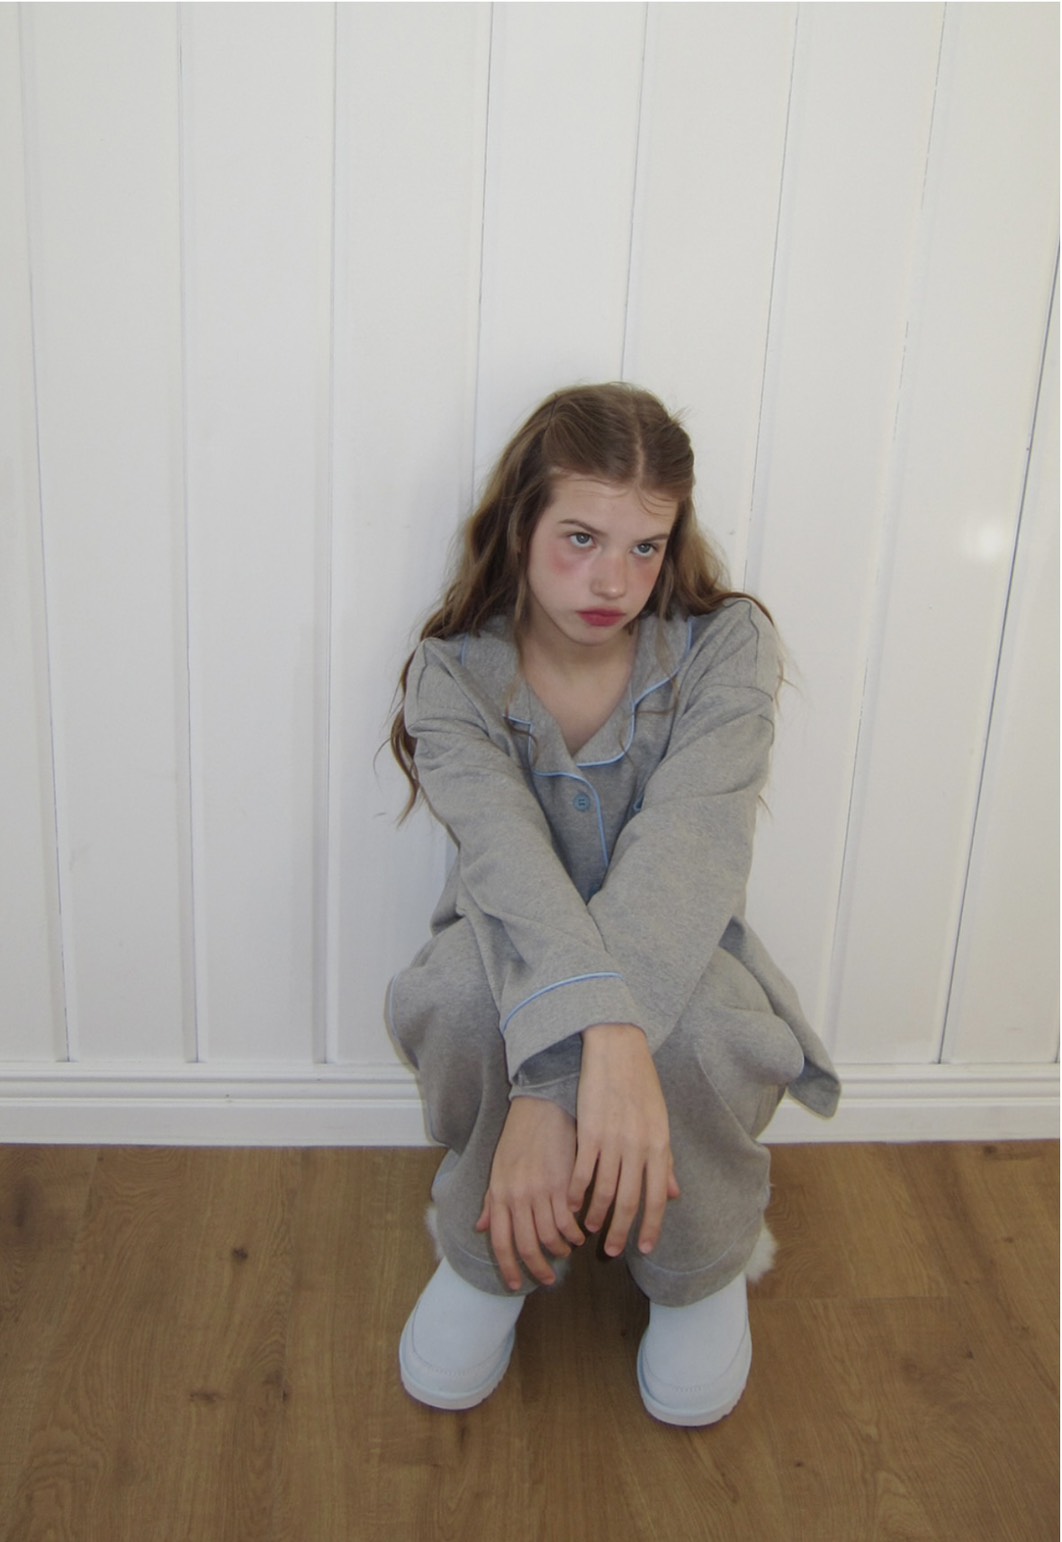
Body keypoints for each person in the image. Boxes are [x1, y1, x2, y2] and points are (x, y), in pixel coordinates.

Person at [385, 382, 839, 1426]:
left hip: (681, 941)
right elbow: (508, 869)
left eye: (646, 547)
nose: (613, 581)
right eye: (581, 538)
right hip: (507, 943)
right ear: (522, 525)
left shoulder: (726, 648)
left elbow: (692, 851)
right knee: (461, 998)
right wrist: (572, 1068)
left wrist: (572, 1074)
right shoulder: (452, 677)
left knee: (701, 1022)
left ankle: (699, 1261)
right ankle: (490, 1252)